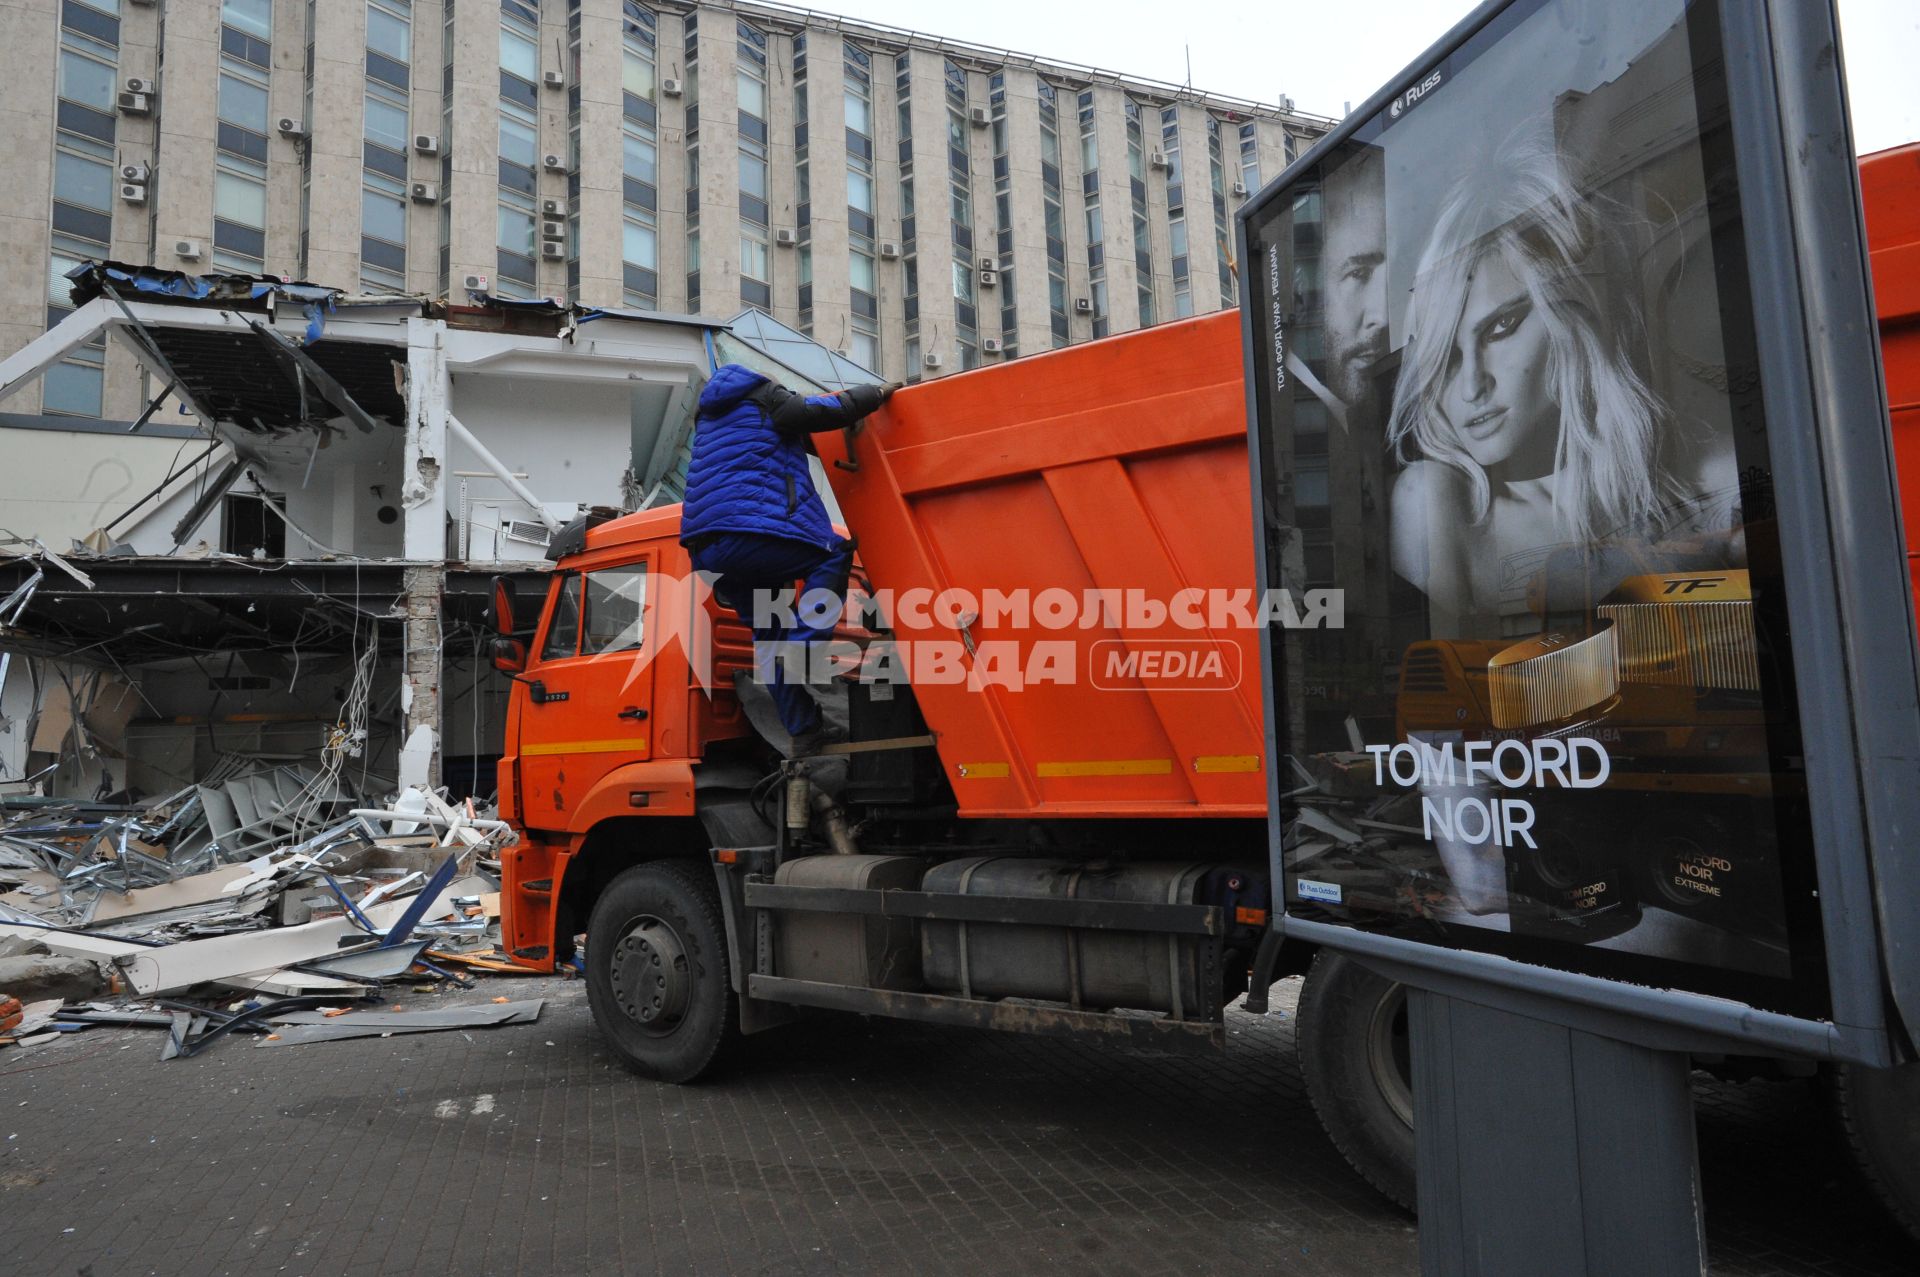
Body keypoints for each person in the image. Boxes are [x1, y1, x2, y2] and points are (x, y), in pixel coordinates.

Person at [1385, 138, 1740, 632]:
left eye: (1501, 328)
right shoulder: (1436, 502)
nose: (1470, 386)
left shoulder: (1708, 474)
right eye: (1445, 355)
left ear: (1574, 313)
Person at [679, 363, 897, 754]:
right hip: (751, 531)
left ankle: (805, 730)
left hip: (708, 551)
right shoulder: (766, 396)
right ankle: (805, 647)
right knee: (832, 552)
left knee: (770, 633)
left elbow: (791, 438)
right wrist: (874, 395)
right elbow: (819, 412)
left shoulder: (710, 422)